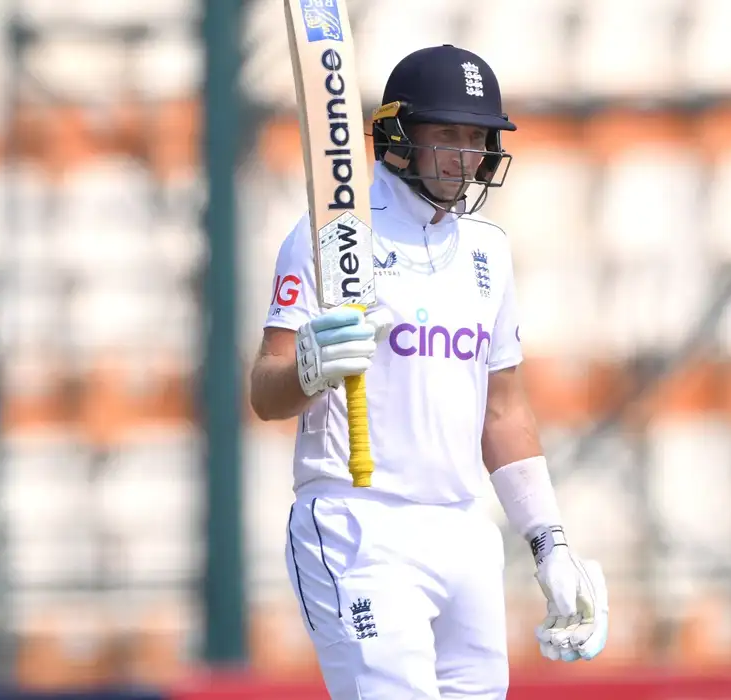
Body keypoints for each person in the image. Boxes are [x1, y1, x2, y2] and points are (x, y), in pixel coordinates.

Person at [249, 44, 608, 699]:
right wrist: (309, 369)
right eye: (446, 135)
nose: (465, 156)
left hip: (462, 529)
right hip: (358, 523)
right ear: (398, 135)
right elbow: (265, 392)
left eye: (476, 139)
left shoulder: (486, 251)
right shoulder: (333, 233)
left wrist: (549, 544)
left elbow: (504, 412)